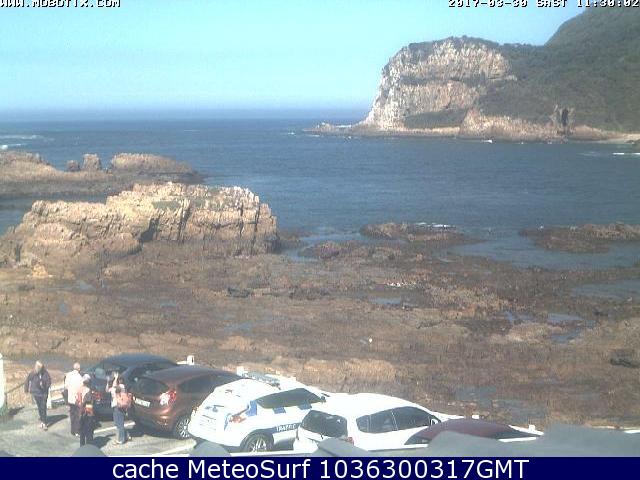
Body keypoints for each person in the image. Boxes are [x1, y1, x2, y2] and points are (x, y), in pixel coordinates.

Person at [24, 361, 51, 431]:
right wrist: (26, 389)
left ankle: (44, 423)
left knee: (43, 407)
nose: (38, 368)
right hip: (36, 393)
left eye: (40, 367)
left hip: (43, 393)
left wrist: (44, 385)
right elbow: (27, 380)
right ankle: (42, 421)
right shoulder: (32, 373)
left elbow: (49, 382)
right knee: (39, 407)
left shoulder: (45, 373)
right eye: (37, 367)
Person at [107, 372, 130, 444]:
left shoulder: (119, 387)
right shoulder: (121, 387)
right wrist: (109, 381)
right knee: (119, 423)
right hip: (118, 406)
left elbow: (112, 388)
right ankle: (126, 435)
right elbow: (108, 390)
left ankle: (121, 439)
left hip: (118, 406)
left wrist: (115, 378)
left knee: (119, 423)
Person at [64, 362, 83, 437]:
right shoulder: (80, 378)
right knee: (77, 415)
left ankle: (72, 430)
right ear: (79, 369)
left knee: (72, 415)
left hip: (70, 398)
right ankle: (77, 431)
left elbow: (66, 386)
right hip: (77, 399)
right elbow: (81, 390)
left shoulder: (68, 375)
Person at [77, 374, 96, 447]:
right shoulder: (88, 390)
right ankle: (89, 446)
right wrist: (91, 414)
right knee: (89, 430)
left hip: (80, 412)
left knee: (82, 431)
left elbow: (77, 400)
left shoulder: (79, 389)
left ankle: (82, 446)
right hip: (87, 412)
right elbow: (89, 404)